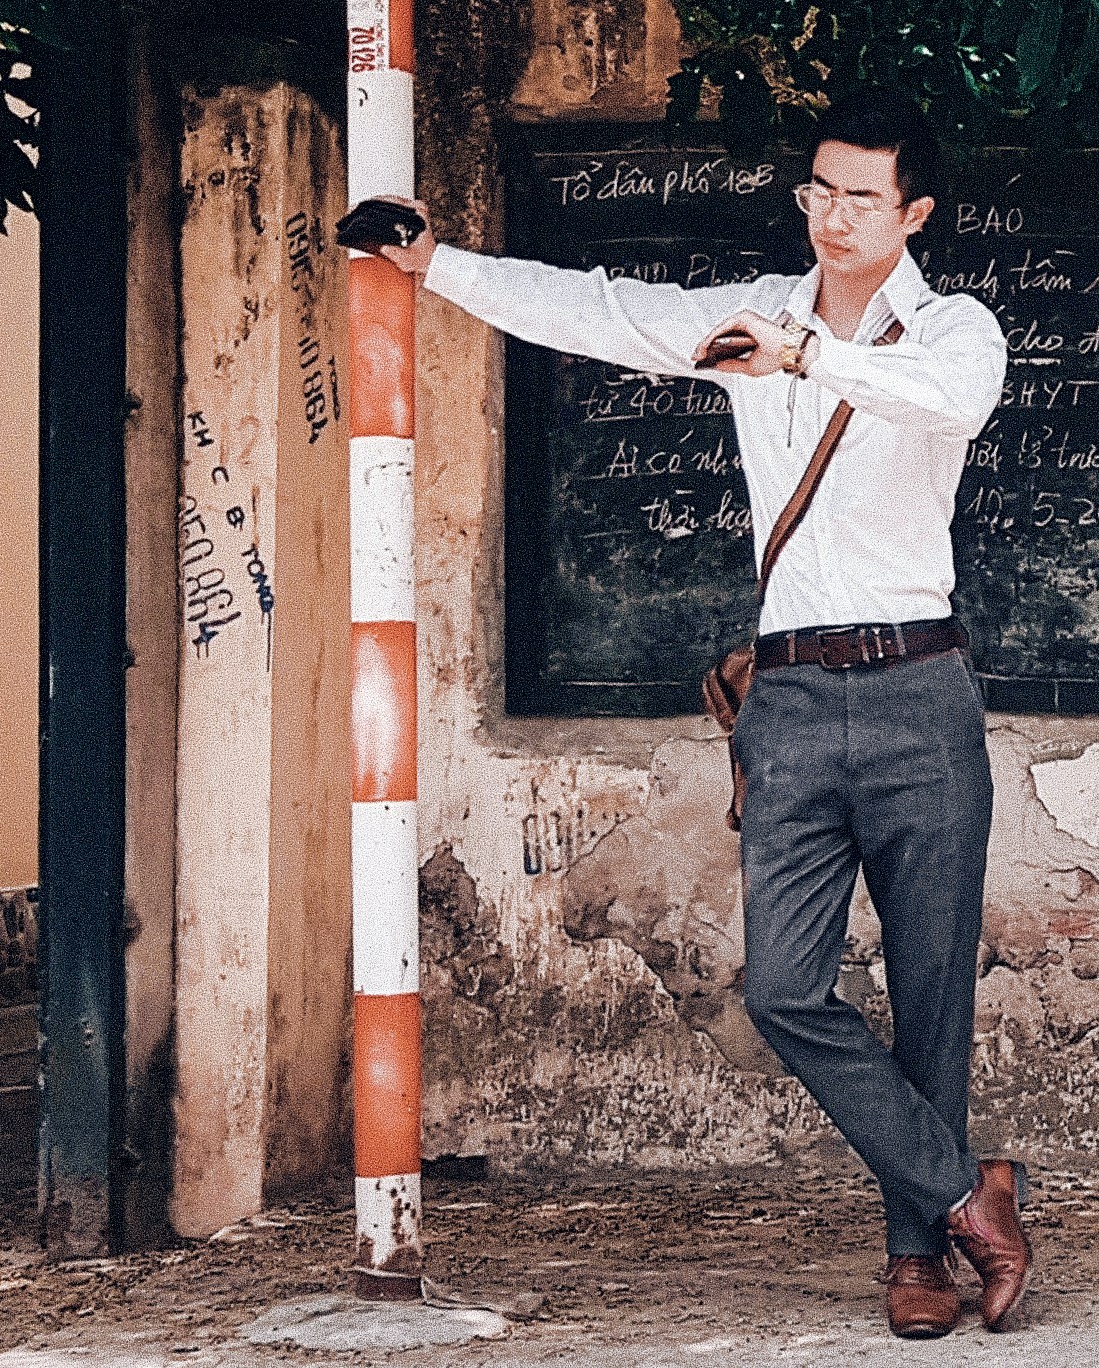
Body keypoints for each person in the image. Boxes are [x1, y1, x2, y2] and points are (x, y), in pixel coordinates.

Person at [362, 89, 1031, 1338]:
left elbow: (951, 402)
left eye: (863, 196)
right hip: (791, 696)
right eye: (820, 189)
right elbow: (602, 309)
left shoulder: (954, 328)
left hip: (919, 690)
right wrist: (436, 262)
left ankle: (918, 1256)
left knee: (934, 989)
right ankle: (965, 1194)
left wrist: (808, 359)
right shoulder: (754, 315)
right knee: (782, 986)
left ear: (915, 212)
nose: (834, 215)